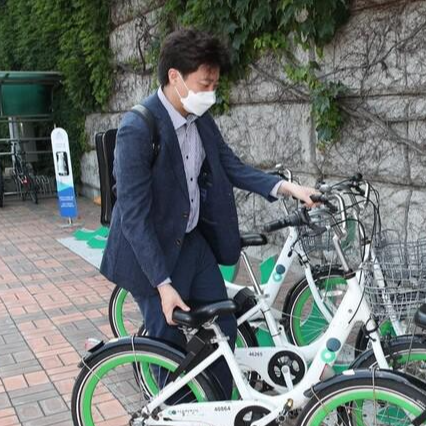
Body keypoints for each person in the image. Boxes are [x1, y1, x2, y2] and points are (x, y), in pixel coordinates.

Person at [99, 28, 318, 397]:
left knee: (224, 325)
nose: (211, 93)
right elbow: (133, 218)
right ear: (175, 77)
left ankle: (216, 406)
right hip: (149, 255)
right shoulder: (137, 128)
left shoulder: (199, 118)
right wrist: (163, 285)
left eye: (215, 84)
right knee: (168, 344)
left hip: (190, 243)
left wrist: (286, 188)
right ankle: (173, 412)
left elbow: (231, 166)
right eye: (205, 83)